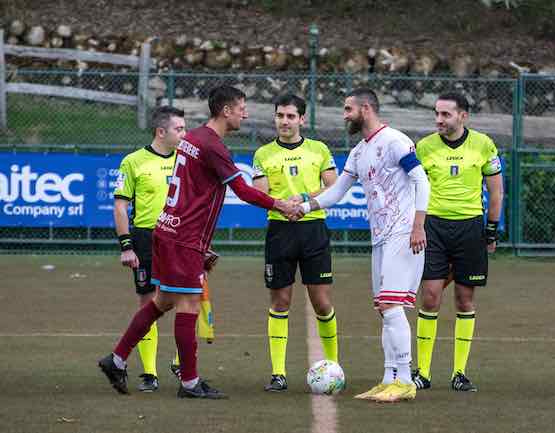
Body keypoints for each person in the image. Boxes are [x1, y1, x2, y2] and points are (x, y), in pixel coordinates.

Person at [99, 85, 297, 400]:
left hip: (168, 230)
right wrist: (282, 205)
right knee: (188, 304)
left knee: (162, 301)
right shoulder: (212, 146)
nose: (245, 113)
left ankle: (117, 359)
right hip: (182, 238)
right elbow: (244, 191)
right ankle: (190, 382)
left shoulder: (193, 138)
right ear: (226, 110)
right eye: (241, 107)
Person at [295, 88, 430, 403]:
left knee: (392, 306)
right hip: (381, 237)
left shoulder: (395, 141)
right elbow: (337, 191)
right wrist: (304, 207)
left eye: (348, 109)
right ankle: (388, 378)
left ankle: (406, 380)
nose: (344, 115)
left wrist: (418, 225)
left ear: (366, 109)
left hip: (404, 233)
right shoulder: (359, 151)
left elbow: (421, 181)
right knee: (385, 310)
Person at [412, 91, 504, 392]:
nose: (439, 119)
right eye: (436, 114)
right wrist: (417, 225)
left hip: (470, 229)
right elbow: (412, 189)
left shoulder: (484, 145)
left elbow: (496, 192)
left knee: (465, 299)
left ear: (462, 116)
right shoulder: (423, 147)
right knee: (430, 295)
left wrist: (491, 229)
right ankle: (422, 372)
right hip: (434, 227)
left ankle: (459, 372)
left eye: (445, 114)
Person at [252, 94, 339, 392]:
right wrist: (283, 206)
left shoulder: (319, 149)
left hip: (313, 228)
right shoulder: (263, 153)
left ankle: (333, 367)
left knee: (322, 303)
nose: (285, 121)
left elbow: (332, 185)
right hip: (280, 230)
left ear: (302, 119)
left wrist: (302, 200)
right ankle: (278, 373)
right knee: (280, 301)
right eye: (280, 116)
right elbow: (260, 193)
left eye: (290, 116)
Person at [113, 106, 186, 392]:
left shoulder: (186, 160)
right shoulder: (133, 161)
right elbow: (121, 205)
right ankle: (149, 374)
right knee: (148, 304)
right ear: (161, 131)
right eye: (179, 129)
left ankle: (182, 363)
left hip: (180, 239)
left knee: (187, 302)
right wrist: (126, 246)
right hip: (146, 240)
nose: (184, 134)